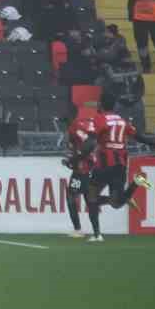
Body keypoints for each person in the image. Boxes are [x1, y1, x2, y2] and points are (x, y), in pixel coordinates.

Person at [79, 91, 155, 243]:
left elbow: (92, 140)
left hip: (103, 164)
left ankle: (97, 235)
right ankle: (136, 183)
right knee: (116, 202)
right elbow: (139, 136)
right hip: (120, 165)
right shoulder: (122, 121)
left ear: (100, 104)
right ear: (114, 105)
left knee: (91, 195)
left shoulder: (99, 119)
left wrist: (80, 155)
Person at [63, 100, 101, 239]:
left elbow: (84, 147)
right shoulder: (85, 124)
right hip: (92, 167)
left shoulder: (74, 127)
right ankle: (97, 233)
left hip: (81, 170)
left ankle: (78, 229)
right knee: (90, 199)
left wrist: (72, 160)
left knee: (71, 197)